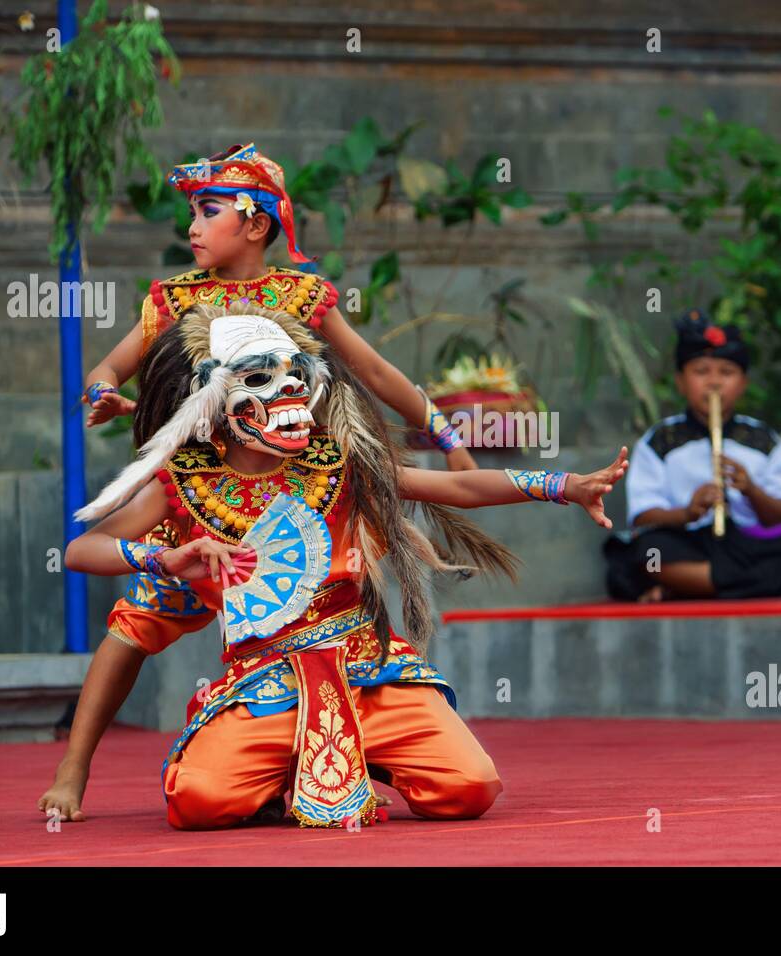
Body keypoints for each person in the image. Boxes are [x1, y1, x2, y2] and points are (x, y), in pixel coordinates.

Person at [45, 302, 629, 829]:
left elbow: (458, 487)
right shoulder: (182, 484)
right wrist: (164, 557)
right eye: (259, 378)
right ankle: (275, 765)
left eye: (295, 373)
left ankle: (364, 754)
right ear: (215, 399)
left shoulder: (339, 463)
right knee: (198, 802)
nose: (289, 390)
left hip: (366, 668)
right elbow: (81, 550)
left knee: (468, 788)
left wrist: (564, 485)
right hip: (267, 680)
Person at [73, 143, 480, 728]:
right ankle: (73, 771)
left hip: (303, 492)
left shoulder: (304, 296)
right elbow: (108, 368)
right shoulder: (177, 300)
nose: (193, 227)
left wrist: (450, 440)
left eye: (209, 212)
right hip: (207, 494)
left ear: (256, 223)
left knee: (330, 628)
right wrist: (102, 393)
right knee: (135, 623)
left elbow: (376, 373)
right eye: (192, 214)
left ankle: (340, 752)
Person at [605, 309, 781, 600]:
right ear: (680, 382)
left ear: (743, 383)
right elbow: (642, 516)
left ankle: (690, 588)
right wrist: (687, 512)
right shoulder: (660, 440)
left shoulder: (763, 440)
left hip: (749, 543)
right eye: (701, 371)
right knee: (646, 553)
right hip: (689, 542)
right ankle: (778, 581)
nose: (714, 382)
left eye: (726, 373)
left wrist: (751, 490)